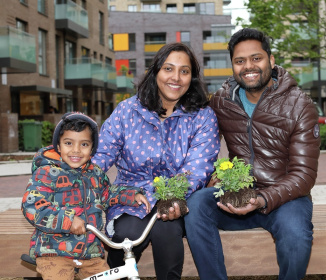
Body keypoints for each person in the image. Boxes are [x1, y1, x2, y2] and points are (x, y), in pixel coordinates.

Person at [184, 28, 321, 280]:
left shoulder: (300, 106)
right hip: (236, 196)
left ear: (271, 60)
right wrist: (210, 177)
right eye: (240, 61)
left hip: (286, 199)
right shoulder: (222, 102)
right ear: (233, 66)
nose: (248, 66)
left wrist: (261, 199)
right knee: (196, 205)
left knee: (296, 237)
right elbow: (196, 138)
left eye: (256, 58)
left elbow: (305, 175)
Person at [92, 42, 220, 280]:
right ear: (155, 72)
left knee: (167, 236)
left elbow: (198, 166)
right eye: (168, 69)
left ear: (192, 78)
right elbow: (102, 154)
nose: (176, 78)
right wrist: (76, 182)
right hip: (131, 197)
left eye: (184, 71)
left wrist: (173, 195)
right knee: (125, 237)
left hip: (174, 199)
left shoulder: (202, 117)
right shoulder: (127, 111)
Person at [21, 112, 149, 280]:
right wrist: (68, 220)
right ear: (58, 146)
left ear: (92, 149)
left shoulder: (95, 174)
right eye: (68, 143)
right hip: (55, 252)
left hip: (91, 252)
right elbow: (32, 205)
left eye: (84, 144)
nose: (76, 150)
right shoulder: (46, 174)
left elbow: (107, 194)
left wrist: (130, 195)